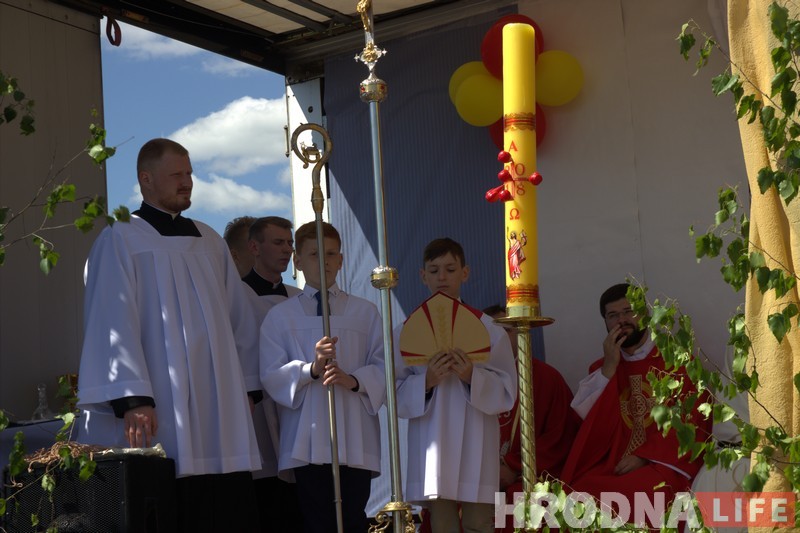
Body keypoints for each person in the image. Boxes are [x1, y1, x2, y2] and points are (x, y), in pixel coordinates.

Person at [77, 138, 262, 532]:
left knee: (223, 503)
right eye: (176, 175)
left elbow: (238, 318)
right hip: (159, 401)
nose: (187, 182)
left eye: (189, 174)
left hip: (218, 405)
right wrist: (134, 397)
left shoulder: (209, 240)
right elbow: (112, 319)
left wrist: (246, 388)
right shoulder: (121, 237)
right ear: (146, 179)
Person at [260, 221, 386, 533]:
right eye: (315, 254)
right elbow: (271, 374)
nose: (325, 261)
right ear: (298, 262)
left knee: (354, 518)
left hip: (354, 435)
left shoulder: (364, 312)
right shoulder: (281, 316)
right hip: (308, 439)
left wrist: (354, 380)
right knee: (317, 520)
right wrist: (310, 369)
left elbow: (385, 365)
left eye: (331, 254)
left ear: (341, 260)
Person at [394, 238, 517, 533]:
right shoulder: (404, 330)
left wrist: (471, 376)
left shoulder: (488, 327)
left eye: (450, 269)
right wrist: (426, 382)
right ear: (423, 276)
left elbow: (507, 387)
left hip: (475, 435)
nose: (442, 277)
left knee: (478, 522)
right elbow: (393, 390)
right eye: (434, 270)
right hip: (431, 439)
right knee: (443, 523)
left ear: (465, 272)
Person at [561, 283, 711, 519]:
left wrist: (644, 456)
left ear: (646, 313)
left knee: (641, 494)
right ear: (605, 322)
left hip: (661, 463)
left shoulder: (677, 361)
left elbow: (692, 422)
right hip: (614, 464)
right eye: (613, 315)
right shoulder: (602, 369)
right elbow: (588, 427)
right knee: (577, 492)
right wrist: (609, 369)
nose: (622, 320)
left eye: (629, 311)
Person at [481, 305, 581, 533]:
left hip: (526, 476)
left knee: (527, 503)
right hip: (478, 479)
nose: (498, 338)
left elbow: (561, 436)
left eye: (506, 331)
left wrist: (513, 467)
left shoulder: (546, 378)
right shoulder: (470, 379)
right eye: (490, 331)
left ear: (521, 334)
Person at [240, 216, 303, 532]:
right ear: (254, 246)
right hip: (256, 410)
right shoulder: (235, 296)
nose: (287, 250)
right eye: (278, 242)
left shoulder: (300, 298)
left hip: (296, 408)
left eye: (290, 243)